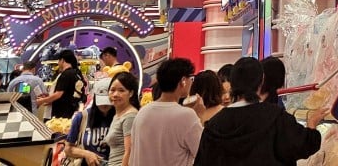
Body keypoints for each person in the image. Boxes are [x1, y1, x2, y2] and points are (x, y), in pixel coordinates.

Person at [193, 57, 321, 166]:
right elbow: (303, 145)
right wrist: (312, 124)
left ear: (233, 83)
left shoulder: (214, 125)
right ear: (261, 81)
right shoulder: (276, 117)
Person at [130, 58, 201, 166]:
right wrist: (200, 114)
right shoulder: (186, 115)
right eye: (191, 78)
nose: (191, 82)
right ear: (183, 81)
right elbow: (204, 153)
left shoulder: (143, 112)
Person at [64, 77, 115, 166]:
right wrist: (86, 154)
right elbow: (68, 148)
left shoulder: (119, 118)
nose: (104, 105)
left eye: (107, 101)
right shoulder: (82, 117)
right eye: (101, 101)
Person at [38, 50, 87, 119]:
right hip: (72, 110)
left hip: (62, 113)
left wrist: (42, 100)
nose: (58, 63)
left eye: (59, 60)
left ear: (62, 60)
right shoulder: (76, 73)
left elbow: (58, 94)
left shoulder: (65, 74)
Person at [105, 71, 140, 166]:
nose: (115, 94)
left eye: (121, 90)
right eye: (112, 90)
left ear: (131, 93)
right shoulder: (117, 115)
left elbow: (130, 152)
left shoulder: (130, 117)